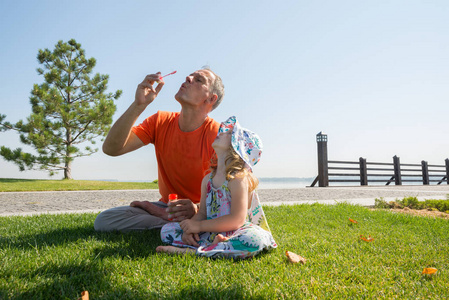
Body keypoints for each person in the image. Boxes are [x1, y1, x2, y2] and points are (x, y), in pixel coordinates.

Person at [94, 68, 224, 232]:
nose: (188, 78)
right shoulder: (161, 121)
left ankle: (185, 225)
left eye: (199, 80)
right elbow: (111, 149)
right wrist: (138, 105)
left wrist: (197, 209)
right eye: (191, 75)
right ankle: (176, 225)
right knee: (104, 220)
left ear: (211, 98)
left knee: (223, 216)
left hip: (208, 210)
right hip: (167, 207)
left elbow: (231, 193)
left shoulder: (219, 136)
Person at [157, 116, 277, 259]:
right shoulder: (208, 180)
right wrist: (191, 228)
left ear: (237, 147)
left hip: (235, 231)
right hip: (212, 231)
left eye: (229, 134)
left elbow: (237, 220)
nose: (222, 132)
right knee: (167, 230)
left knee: (254, 240)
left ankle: (193, 251)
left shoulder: (237, 179)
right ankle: (216, 247)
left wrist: (200, 227)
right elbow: (202, 213)